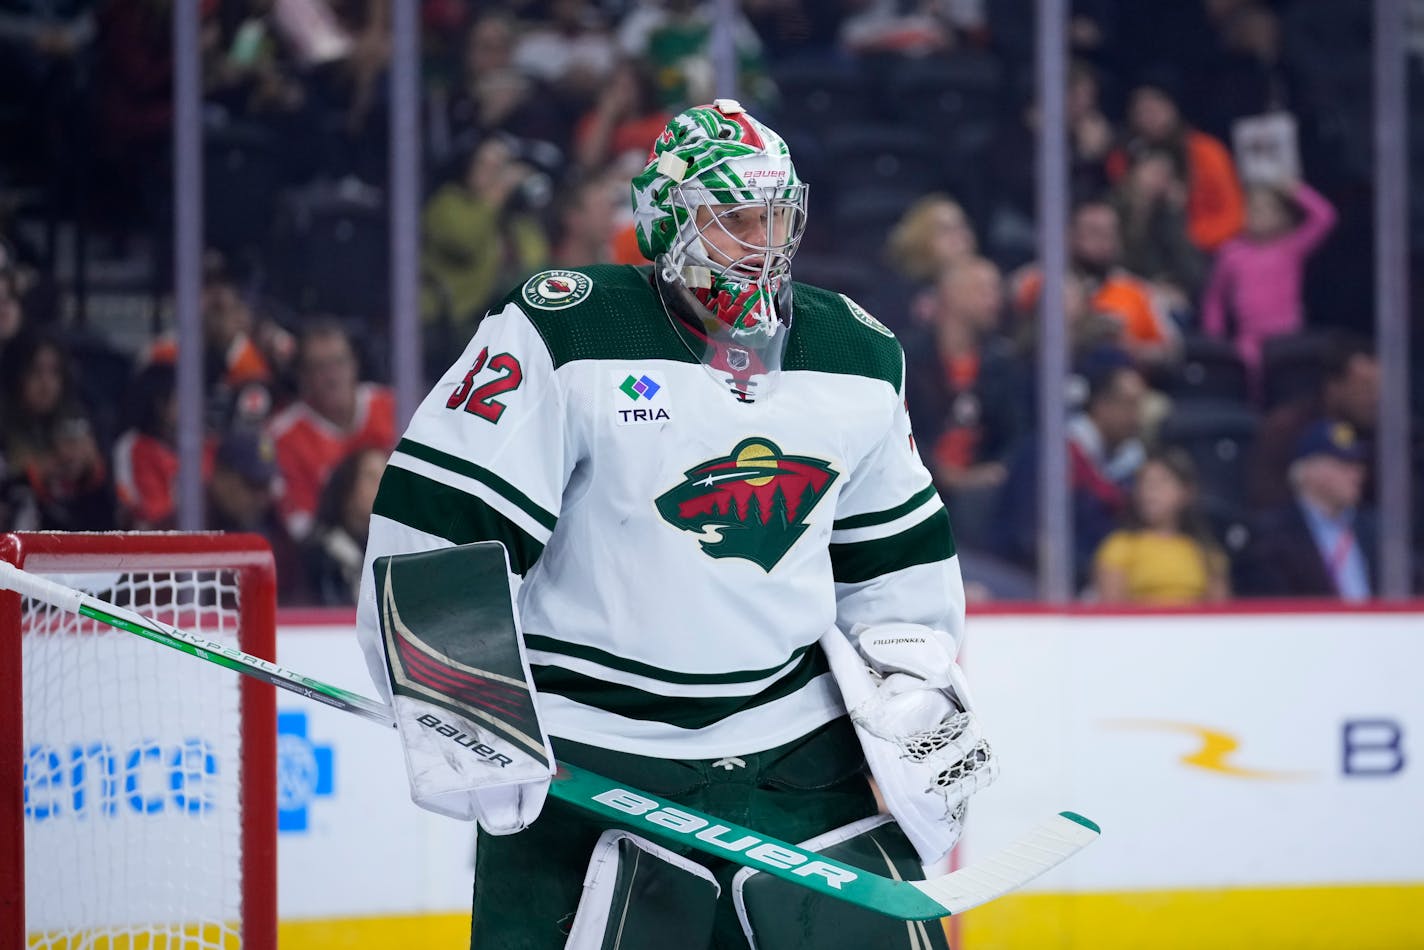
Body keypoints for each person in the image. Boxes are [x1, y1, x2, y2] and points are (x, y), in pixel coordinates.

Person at [355, 99, 993, 949]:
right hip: (593, 752)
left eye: (776, 214)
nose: (764, 241)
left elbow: (894, 564)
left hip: (795, 755)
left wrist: (913, 690)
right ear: (668, 223)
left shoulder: (855, 354)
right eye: (735, 219)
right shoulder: (567, 329)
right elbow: (437, 532)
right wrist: (465, 706)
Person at [1199, 178, 1338, 388]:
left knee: (1293, 381)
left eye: (1266, 209)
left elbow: (1325, 217)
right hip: (1249, 339)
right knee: (1248, 376)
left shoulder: (1290, 247)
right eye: (1252, 208)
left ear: (1282, 217)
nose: (1257, 215)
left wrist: (1294, 189)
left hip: (1288, 335)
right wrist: (1214, 337)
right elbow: (1215, 298)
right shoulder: (1232, 252)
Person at [266, 321, 396, 542]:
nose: (332, 376)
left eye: (339, 362)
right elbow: (300, 527)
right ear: (303, 377)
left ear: (354, 364)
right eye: (319, 367)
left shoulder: (393, 407)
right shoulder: (283, 437)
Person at [1238, 419, 1375, 600]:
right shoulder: (1271, 536)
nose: (1357, 474)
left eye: (1358, 465)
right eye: (1344, 465)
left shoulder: (1375, 531)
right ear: (1308, 470)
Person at [1092, 448, 1230, 604]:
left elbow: (1220, 614)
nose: (1150, 492)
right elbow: (1111, 613)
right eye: (1144, 483)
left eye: (1162, 482)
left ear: (1186, 492)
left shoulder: (1206, 552)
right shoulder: (1119, 547)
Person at [303, 445, 386, 605]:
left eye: (386, 476)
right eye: (371, 477)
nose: (382, 485)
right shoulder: (320, 554)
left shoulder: (399, 551)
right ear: (347, 487)